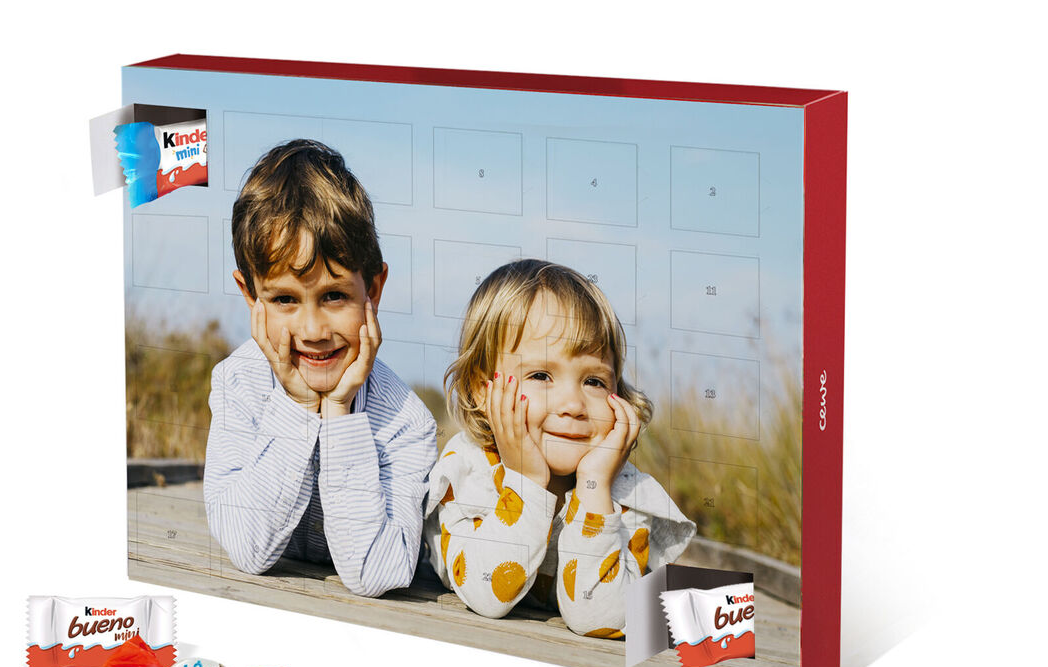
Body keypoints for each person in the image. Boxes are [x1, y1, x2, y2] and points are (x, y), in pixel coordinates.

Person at [205, 139, 437, 598]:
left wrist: (338, 412)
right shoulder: (237, 383)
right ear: (251, 296)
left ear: (373, 289)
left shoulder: (407, 423)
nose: (312, 330)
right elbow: (248, 548)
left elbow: (378, 572)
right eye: (285, 300)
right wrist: (297, 405)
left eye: (334, 296)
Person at [423, 259, 695, 637]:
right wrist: (526, 481)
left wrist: (594, 488)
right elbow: (488, 594)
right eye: (540, 375)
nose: (573, 404)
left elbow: (604, 619)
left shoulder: (623, 492)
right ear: (481, 391)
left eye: (594, 381)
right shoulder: (468, 471)